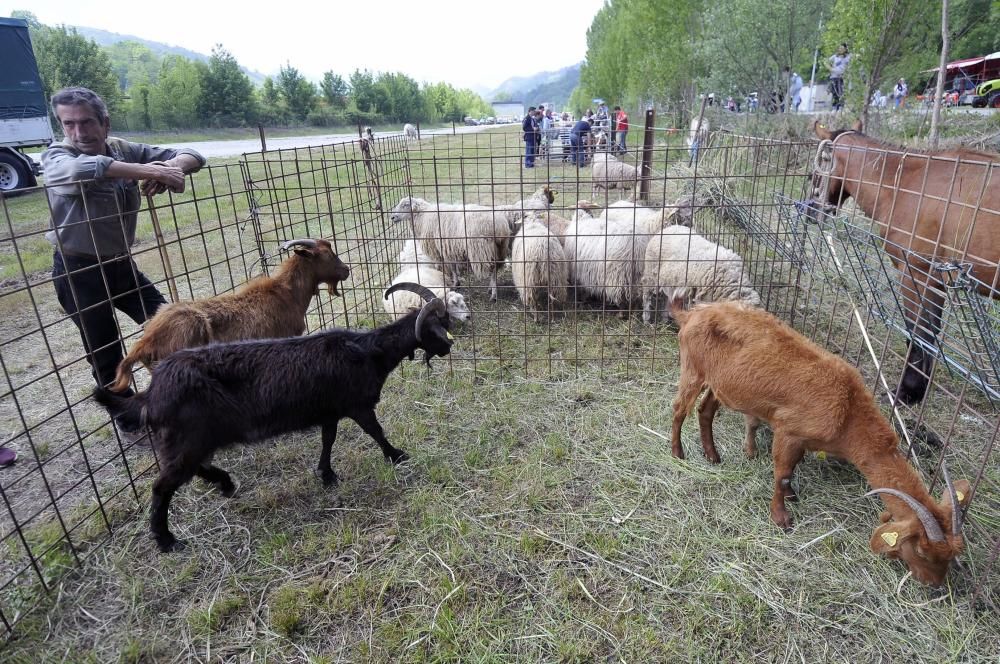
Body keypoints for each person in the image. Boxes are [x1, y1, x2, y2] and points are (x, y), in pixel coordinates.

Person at [42, 87, 205, 435]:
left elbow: (193, 154)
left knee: (171, 325)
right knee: (105, 349)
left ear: (105, 121)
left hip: (121, 266)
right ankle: (130, 418)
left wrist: (169, 167)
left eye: (86, 122)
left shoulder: (123, 148)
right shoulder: (58, 155)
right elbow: (75, 173)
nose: (79, 132)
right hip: (78, 269)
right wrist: (149, 172)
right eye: (68, 124)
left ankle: (182, 397)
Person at [824, 43, 850, 111]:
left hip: (842, 77)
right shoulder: (835, 57)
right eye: (839, 48)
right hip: (834, 77)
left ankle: (841, 106)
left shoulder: (847, 57)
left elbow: (855, 57)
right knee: (834, 92)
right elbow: (825, 61)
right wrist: (830, 68)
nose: (840, 50)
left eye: (842, 48)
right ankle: (834, 107)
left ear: (845, 49)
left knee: (841, 92)